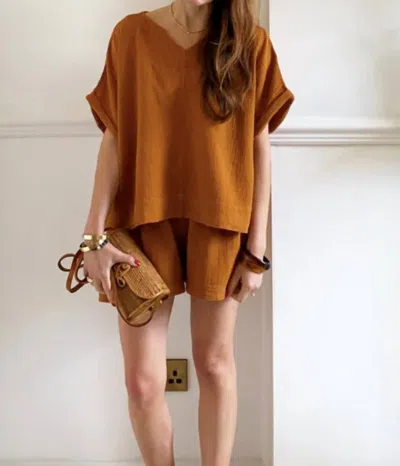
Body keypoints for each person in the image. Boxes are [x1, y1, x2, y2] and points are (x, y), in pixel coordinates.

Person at [82, 0, 294, 465]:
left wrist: (256, 250)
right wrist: (93, 237)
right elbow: (113, 138)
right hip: (141, 221)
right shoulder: (130, 36)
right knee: (141, 382)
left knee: (214, 365)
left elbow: (259, 147)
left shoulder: (250, 43)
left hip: (220, 222)